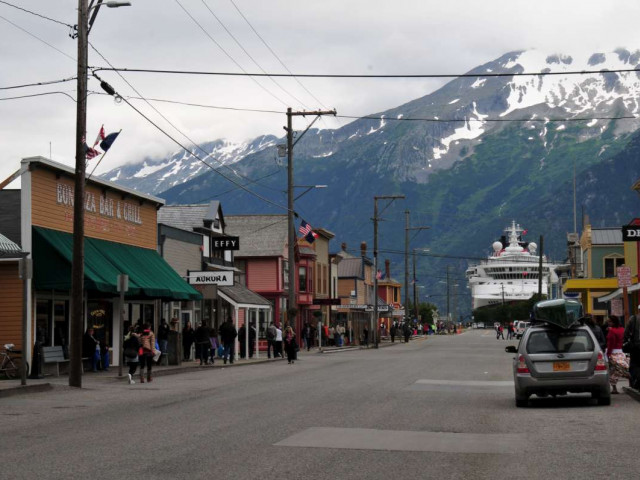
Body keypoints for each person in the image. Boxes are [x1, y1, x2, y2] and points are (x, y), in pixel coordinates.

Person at [607, 316, 629, 394]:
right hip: (621, 352)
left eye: (610, 321)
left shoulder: (612, 331)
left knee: (613, 371)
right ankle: (631, 383)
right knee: (622, 369)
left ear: (613, 322)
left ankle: (614, 388)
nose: (608, 323)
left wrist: (608, 354)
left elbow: (610, 344)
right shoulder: (622, 329)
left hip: (613, 352)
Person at [624, 306, 640, 390]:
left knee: (635, 365)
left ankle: (636, 381)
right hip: (636, 346)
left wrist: (626, 341)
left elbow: (626, 333)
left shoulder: (633, 319)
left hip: (636, 347)